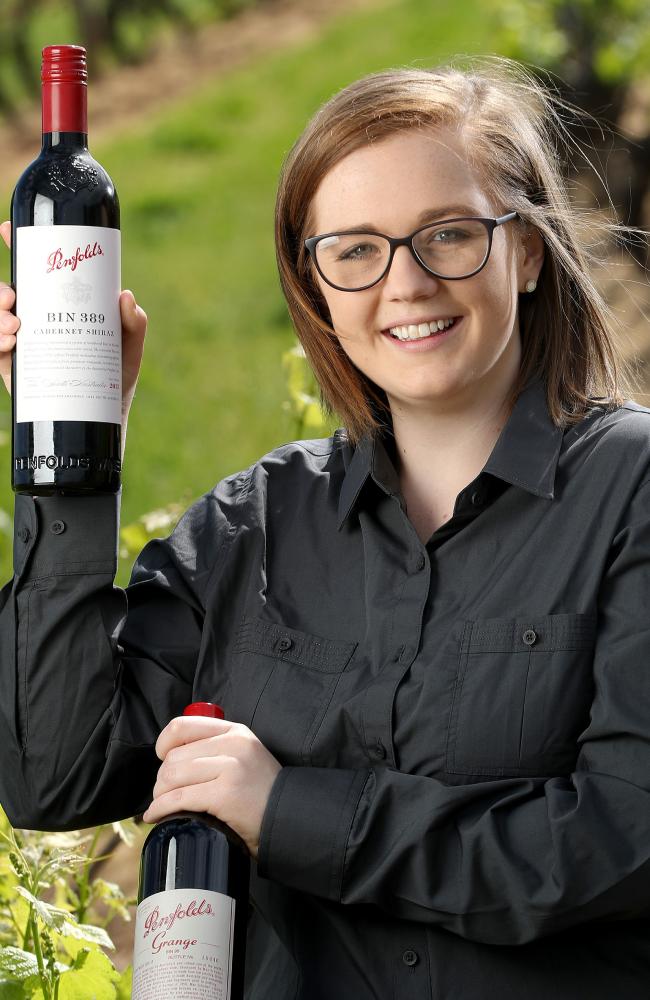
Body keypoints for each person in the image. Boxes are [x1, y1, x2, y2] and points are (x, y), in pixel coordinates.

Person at [0, 57, 649, 999]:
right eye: (354, 250)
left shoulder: (630, 490)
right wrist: (74, 446)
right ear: (315, 284)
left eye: (449, 235)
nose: (406, 283)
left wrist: (289, 812)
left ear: (529, 251)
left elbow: (620, 845)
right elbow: (56, 778)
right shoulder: (251, 526)